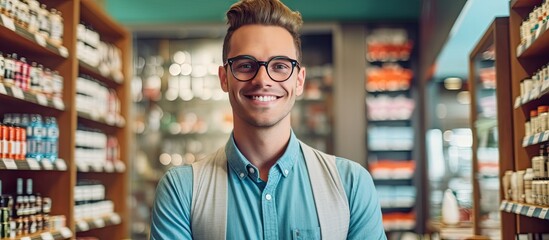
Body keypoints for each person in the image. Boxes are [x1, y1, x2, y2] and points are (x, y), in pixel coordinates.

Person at [149, 0, 386, 239]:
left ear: (299, 80)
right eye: (245, 65)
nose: (262, 79)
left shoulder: (351, 185)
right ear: (224, 78)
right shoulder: (181, 191)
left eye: (280, 66)